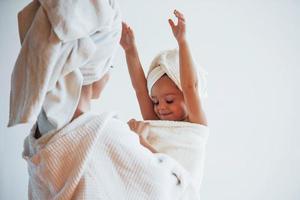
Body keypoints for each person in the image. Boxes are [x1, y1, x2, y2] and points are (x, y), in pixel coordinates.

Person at [9, 1, 200, 199]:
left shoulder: (39, 141)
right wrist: (139, 143)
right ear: (97, 69)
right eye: (110, 66)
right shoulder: (106, 138)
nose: (160, 107)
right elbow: (184, 192)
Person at [120, 9, 209, 191]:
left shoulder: (196, 126)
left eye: (169, 100)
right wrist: (130, 49)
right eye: (156, 101)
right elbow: (140, 90)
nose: (160, 108)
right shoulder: (156, 121)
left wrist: (182, 41)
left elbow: (190, 86)